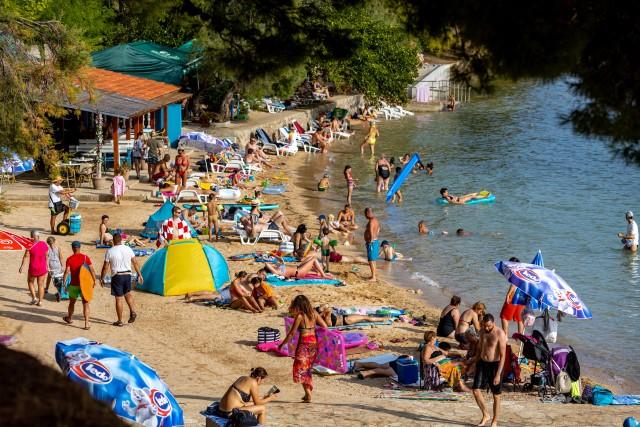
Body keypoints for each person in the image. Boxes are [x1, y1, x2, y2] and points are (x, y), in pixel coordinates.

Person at [278, 295, 328, 402]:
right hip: (314, 344)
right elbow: (325, 326)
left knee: (300, 369)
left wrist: (282, 344)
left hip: (304, 344)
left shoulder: (300, 316)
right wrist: (314, 328)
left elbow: (291, 334)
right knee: (307, 368)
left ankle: (308, 394)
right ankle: (307, 394)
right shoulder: (314, 313)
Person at [471, 314, 507, 427]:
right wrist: (474, 363)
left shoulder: (500, 333)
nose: (486, 328)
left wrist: (498, 374)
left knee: (496, 395)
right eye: (484, 326)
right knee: (475, 390)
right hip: (482, 363)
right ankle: (486, 414)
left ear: (493, 323)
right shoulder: (482, 331)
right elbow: (479, 348)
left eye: (489, 326)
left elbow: (503, 356)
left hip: (495, 365)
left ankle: (494, 421)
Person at [101, 233, 142, 327]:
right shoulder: (128, 249)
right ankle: (133, 311)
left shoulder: (110, 251)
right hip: (127, 275)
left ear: (113, 241)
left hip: (117, 276)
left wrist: (102, 278)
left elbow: (105, 267)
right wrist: (139, 274)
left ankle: (119, 321)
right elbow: (135, 262)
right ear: (121, 240)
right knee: (127, 293)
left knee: (118, 298)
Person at [62, 241, 97, 330]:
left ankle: (69, 318)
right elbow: (92, 270)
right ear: (80, 247)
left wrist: (64, 283)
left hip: (73, 285)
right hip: (84, 285)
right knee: (85, 304)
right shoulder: (85, 258)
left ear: (72, 248)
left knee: (72, 303)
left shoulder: (69, 259)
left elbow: (67, 271)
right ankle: (87, 323)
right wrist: (94, 280)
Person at [18, 230, 48, 306]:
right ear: (38, 236)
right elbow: (46, 256)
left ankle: (34, 298)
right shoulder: (44, 244)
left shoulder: (30, 245)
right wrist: (47, 266)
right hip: (42, 267)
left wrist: (22, 266)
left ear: (32, 236)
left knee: (30, 282)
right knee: (41, 284)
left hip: (33, 267)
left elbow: (26, 256)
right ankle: (40, 301)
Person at [500, 257, 525, 338]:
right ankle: (520, 338)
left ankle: (505, 336)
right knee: (520, 319)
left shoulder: (515, 272)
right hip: (522, 297)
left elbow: (514, 284)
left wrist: (508, 294)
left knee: (504, 316)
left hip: (513, 296)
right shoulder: (523, 272)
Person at [262, 250, 328, 279]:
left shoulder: (279, 268)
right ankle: (323, 275)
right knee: (314, 259)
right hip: (299, 272)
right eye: (272, 266)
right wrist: (271, 265)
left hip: (298, 268)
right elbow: (266, 264)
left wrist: (273, 255)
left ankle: (317, 272)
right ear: (270, 268)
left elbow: (281, 260)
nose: (273, 265)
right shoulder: (277, 272)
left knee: (311, 257)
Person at [316, 305, 388, 327]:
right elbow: (328, 308)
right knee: (366, 317)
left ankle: (381, 318)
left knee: (364, 316)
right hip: (347, 320)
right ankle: (383, 319)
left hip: (344, 317)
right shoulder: (327, 319)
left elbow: (326, 306)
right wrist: (320, 314)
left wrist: (320, 311)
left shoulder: (324, 319)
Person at [364, 207, 380, 281]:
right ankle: (374, 275)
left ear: (368, 213)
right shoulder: (376, 220)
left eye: (365, 214)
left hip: (372, 243)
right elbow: (378, 229)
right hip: (375, 241)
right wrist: (375, 237)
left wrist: (370, 241)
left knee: (371, 260)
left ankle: (373, 277)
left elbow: (370, 232)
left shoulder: (371, 222)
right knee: (373, 260)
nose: (365, 216)